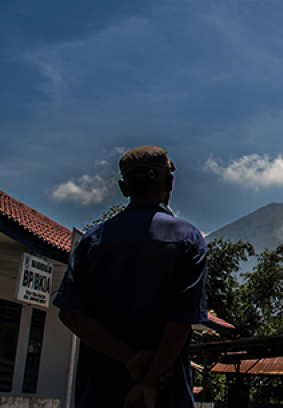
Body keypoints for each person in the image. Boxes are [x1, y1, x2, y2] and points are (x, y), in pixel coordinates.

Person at [54, 146, 208, 408]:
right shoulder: (188, 239)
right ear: (169, 182)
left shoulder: (93, 241)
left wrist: (129, 358)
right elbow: (181, 319)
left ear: (123, 188)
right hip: (165, 393)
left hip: (99, 391)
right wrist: (150, 379)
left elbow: (70, 313)